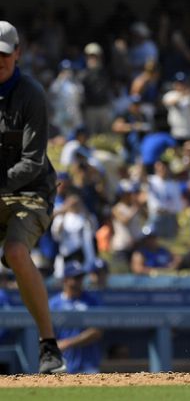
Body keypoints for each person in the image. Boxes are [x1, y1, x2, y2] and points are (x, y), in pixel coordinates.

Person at [0, 21, 66, 373]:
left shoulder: (30, 94)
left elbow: (33, 161)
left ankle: (48, 346)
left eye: (4, 56)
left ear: (18, 55)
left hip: (30, 192)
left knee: (15, 251)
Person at [48, 262, 103, 374]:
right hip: (61, 362)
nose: (80, 281)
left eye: (81, 277)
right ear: (65, 280)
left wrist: (68, 343)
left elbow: (98, 330)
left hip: (88, 363)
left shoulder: (91, 301)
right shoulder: (54, 303)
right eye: (76, 277)